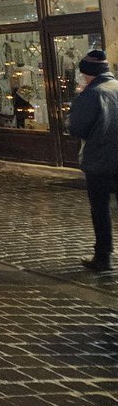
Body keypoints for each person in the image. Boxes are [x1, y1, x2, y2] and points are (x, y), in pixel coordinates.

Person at [69, 51, 118, 272]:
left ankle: (103, 256)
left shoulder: (91, 94)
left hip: (100, 161)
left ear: (87, 73)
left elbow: (76, 128)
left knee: (100, 209)